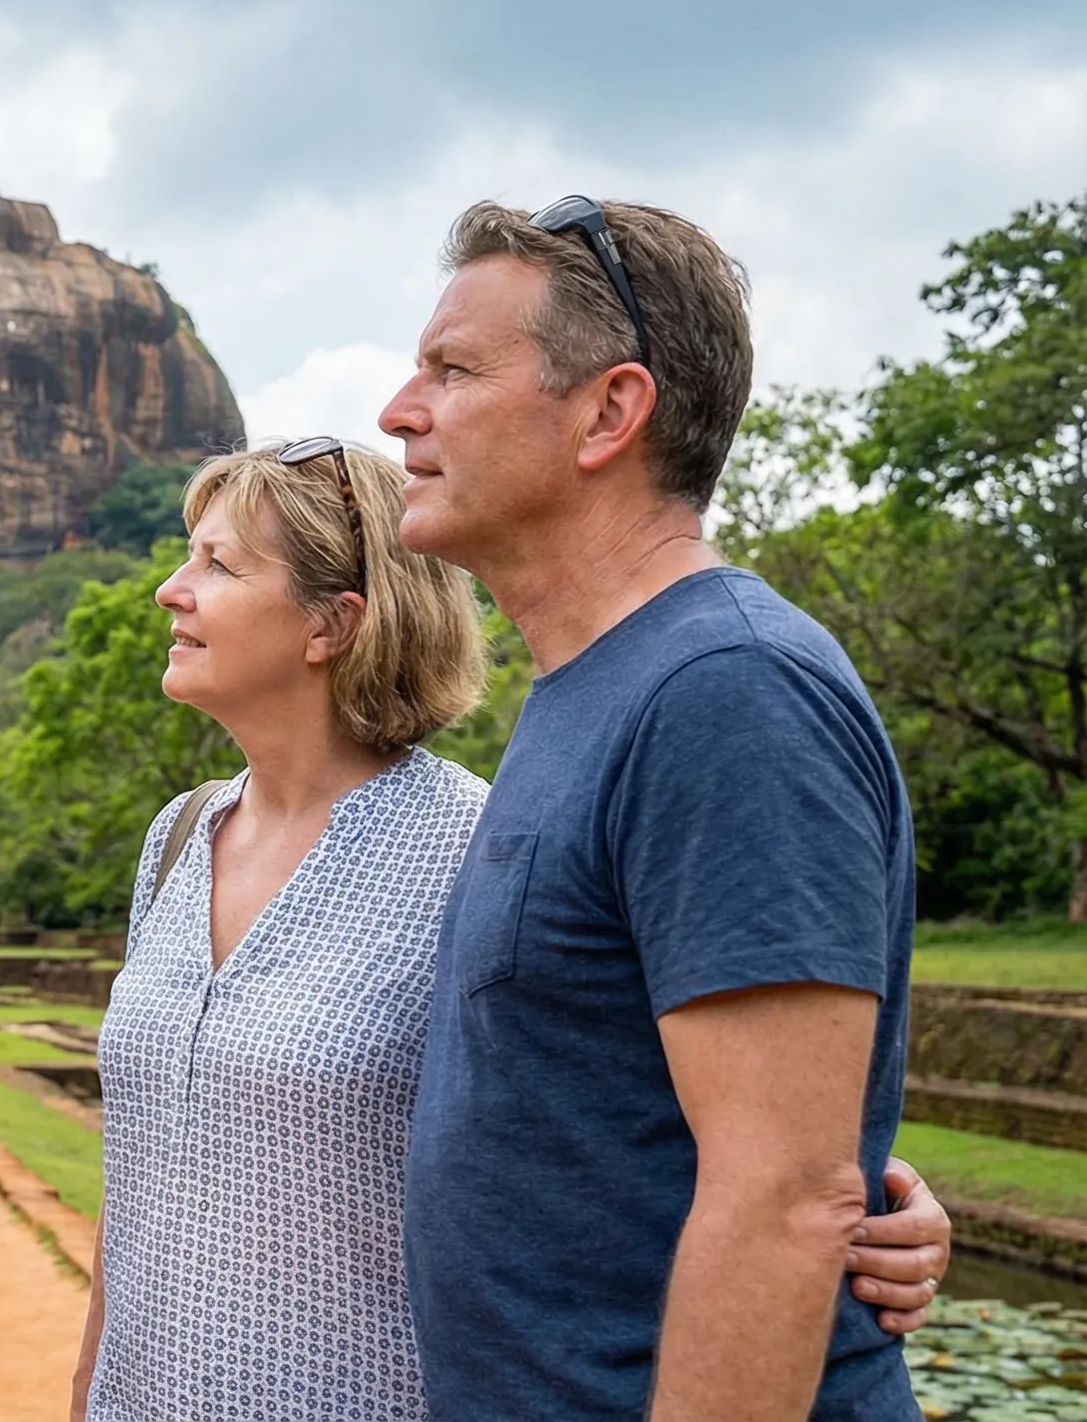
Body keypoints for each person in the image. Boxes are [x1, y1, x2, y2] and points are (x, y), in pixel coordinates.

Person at [66, 439, 951, 1421]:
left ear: (334, 622)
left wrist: (878, 1201)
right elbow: (141, 1165)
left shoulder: (476, 847)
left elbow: (646, 1111)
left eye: (216, 564)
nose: (168, 591)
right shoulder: (179, 835)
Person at [388, 198, 935, 1420]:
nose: (399, 410)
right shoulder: (593, 689)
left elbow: (785, 1196)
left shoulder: (724, 692)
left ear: (609, 412)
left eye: (452, 369)